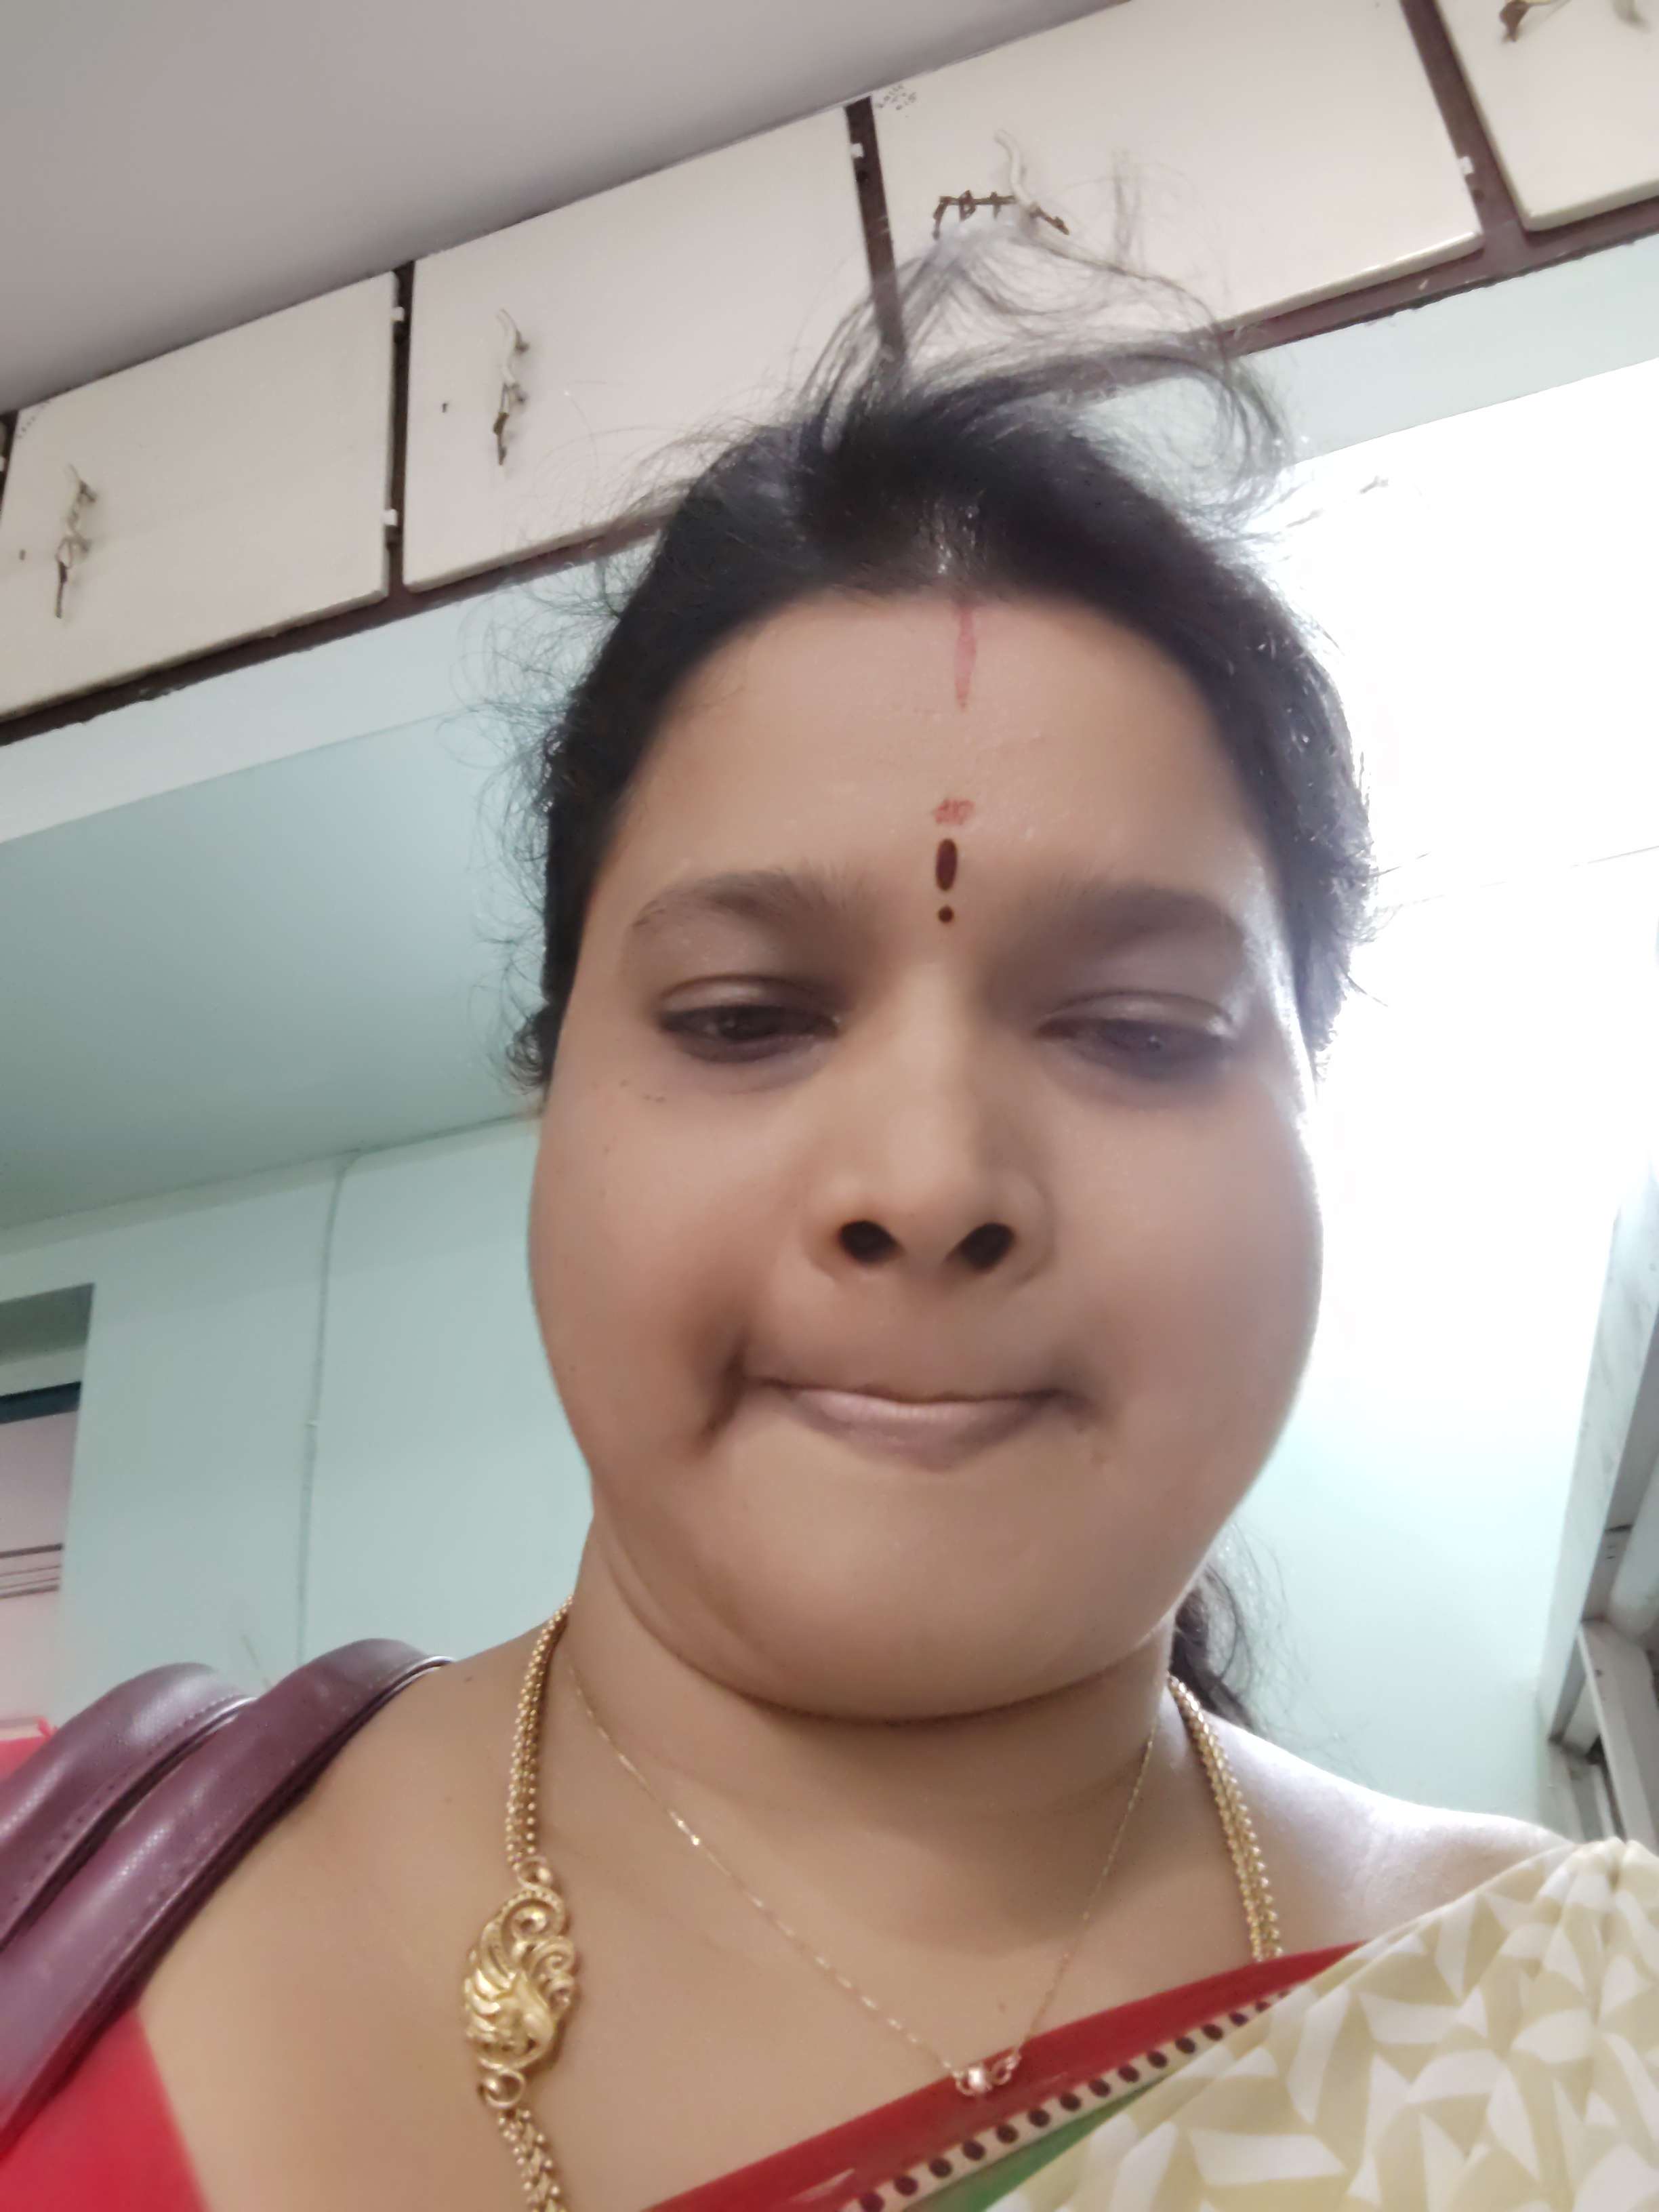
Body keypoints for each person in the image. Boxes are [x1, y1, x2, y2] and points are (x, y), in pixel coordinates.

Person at [4, 232, 1655, 2212]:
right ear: (551, 1098)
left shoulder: (1591, 2047)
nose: (929, 1185)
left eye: (1138, 1030)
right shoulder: (55, 1905)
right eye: (744, 1018)